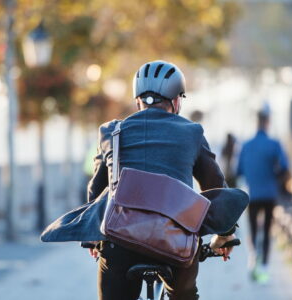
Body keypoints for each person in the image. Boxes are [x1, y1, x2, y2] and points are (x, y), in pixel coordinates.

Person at [86, 60, 236, 300]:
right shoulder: (192, 132)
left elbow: (96, 192)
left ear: (138, 101)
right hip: (176, 243)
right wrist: (225, 234)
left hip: (120, 244)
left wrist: (93, 236)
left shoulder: (111, 132)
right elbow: (216, 187)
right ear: (176, 101)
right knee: (185, 295)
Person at [236, 106, 289, 284]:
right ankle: (265, 266)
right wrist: (274, 176)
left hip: (253, 194)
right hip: (270, 193)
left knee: (252, 228)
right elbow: (284, 167)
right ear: (267, 122)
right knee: (266, 229)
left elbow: (239, 170)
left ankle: (252, 259)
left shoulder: (246, 145)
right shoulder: (274, 144)